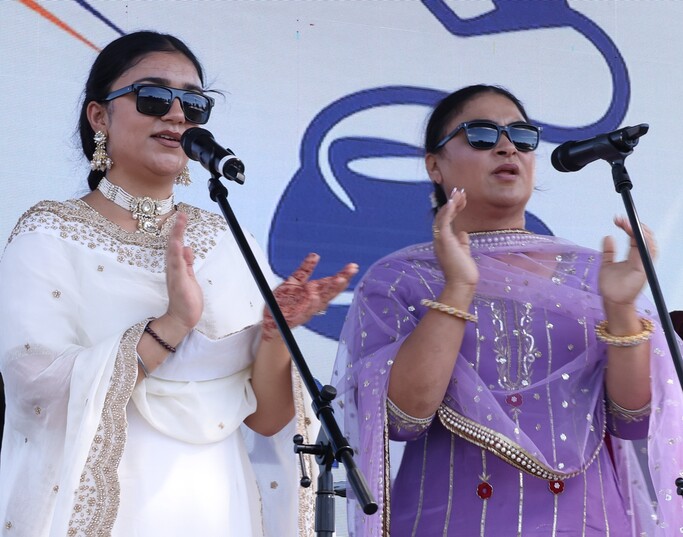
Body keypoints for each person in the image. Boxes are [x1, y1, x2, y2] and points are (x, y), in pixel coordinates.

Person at [0, 31, 357, 537]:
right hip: (105, 504)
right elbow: (35, 391)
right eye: (152, 96)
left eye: (193, 103)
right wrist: (173, 324)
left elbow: (267, 420)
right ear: (99, 116)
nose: (175, 115)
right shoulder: (50, 232)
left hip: (218, 504)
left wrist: (275, 335)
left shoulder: (225, 240)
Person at [333, 84, 683, 536]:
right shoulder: (400, 278)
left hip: (585, 523)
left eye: (522, 136)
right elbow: (402, 419)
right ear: (434, 165)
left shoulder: (592, 274)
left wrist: (620, 309)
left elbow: (634, 420)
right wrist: (458, 288)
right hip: (450, 522)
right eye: (481, 134)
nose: (506, 147)